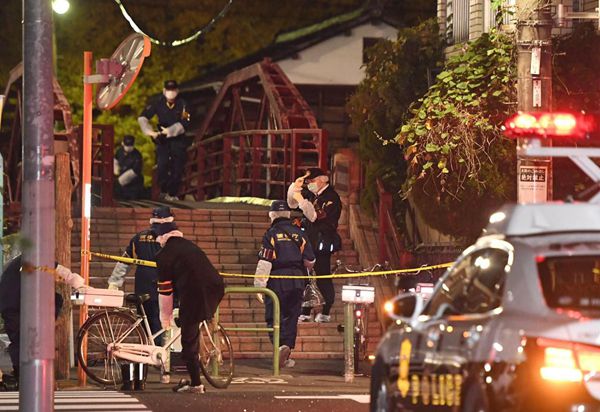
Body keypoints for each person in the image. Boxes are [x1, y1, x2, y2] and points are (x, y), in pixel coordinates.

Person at [154, 220, 225, 394]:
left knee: (188, 339)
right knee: (191, 321)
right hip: (215, 287)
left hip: (195, 293)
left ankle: (196, 384)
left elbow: (165, 292)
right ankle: (202, 324)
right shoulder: (188, 245)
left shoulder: (164, 255)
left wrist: (165, 318)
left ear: (161, 238)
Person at [0, 255, 85, 383]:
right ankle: (22, 376)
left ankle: (21, 374)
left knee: (19, 339)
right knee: (20, 339)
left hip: (11, 303)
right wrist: (78, 284)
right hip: (14, 304)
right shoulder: (37, 258)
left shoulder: (24, 260)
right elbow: (62, 272)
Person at [254, 200, 315, 368]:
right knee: (292, 316)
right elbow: (310, 260)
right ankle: (286, 348)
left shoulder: (271, 234)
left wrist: (259, 286)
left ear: (272, 215)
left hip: (276, 280)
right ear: (288, 215)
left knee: (273, 316)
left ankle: (279, 346)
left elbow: (265, 261)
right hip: (297, 281)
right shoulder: (300, 234)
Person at [108, 207, 173, 346]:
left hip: (142, 288)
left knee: (144, 326)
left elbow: (124, 261)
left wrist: (114, 282)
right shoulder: (170, 239)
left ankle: (146, 351)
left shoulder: (139, 238)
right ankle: (157, 353)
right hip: (161, 289)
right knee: (159, 326)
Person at [287, 167, 342, 323]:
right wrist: (295, 187)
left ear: (323, 180)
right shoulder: (313, 195)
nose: (310, 184)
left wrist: (302, 200)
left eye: (312, 180)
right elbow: (291, 203)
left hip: (323, 242)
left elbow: (314, 216)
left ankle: (326, 310)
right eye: (308, 181)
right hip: (308, 240)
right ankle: (305, 310)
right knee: (305, 275)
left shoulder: (331, 197)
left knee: (322, 275)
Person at [137, 79, 191, 201]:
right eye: (168, 90)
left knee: (177, 167)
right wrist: (150, 132)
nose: (171, 92)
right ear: (164, 91)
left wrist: (170, 131)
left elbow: (185, 122)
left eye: (173, 90)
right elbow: (143, 117)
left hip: (178, 138)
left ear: (177, 91)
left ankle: (173, 193)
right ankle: (164, 190)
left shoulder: (183, 104)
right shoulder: (158, 103)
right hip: (162, 139)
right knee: (162, 165)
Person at [114, 134, 144, 200]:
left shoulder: (137, 155)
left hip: (133, 181)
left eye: (131, 145)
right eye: (127, 145)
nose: (129, 147)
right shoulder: (119, 151)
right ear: (123, 144)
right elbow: (115, 161)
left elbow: (136, 170)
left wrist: (121, 179)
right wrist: (116, 172)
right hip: (120, 177)